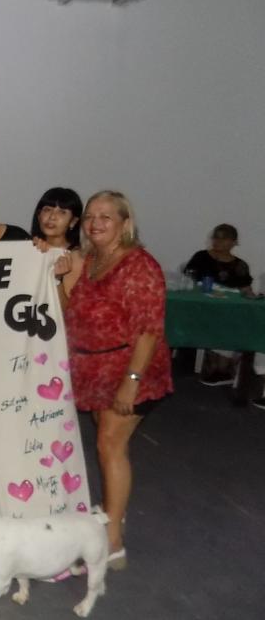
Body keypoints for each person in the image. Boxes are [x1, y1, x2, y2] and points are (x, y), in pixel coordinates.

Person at [57, 190, 172, 571]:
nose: (96, 223)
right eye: (91, 216)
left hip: (131, 371)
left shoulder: (140, 265)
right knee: (106, 444)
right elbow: (71, 312)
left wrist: (131, 381)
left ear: (125, 223)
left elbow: (149, 330)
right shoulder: (91, 260)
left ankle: (113, 544)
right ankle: (111, 514)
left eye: (106, 216)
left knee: (109, 445)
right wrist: (59, 281)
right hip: (95, 372)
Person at [183, 224, 255, 386]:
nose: (218, 241)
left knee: (233, 322)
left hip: (228, 310)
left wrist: (251, 297)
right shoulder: (201, 257)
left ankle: (223, 369)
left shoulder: (240, 265)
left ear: (234, 242)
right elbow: (188, 280)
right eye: (216, 237)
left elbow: (246, 290)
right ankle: (217, 368)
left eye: (224, 238)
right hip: (201, 307)